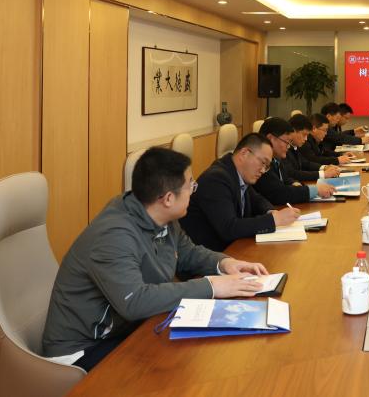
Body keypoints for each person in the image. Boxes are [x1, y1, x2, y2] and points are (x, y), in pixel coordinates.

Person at [42, 147, 268, 370]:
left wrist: (225, 263)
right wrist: (211, 286)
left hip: (125, 329)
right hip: (82, 349)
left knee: (192, 356)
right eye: (190, 185)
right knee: (171, 369)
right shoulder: (114, 235)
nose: (193, 191)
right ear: (168, 198)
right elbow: (135, 301)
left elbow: (187, 252)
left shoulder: (160, 215)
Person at [181, 134, 300, 251]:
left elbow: (257, 199)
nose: (263, 170)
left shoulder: (238, 173)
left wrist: (270, 211)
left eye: (267, 166)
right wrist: (274, 220)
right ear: (244, 153)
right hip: (211, 255)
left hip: (234, 248)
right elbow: (229, 228)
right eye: (263, 163)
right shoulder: (216, 179)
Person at [253, 117, 335, 205]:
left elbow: (285, 178)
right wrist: (315, 190)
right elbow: (278, 193)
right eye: (286, 142)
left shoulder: (275, 159)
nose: (288, 146)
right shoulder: (260, 163)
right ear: (270, 139)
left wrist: (294, 183)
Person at [284, 114, 342, 180]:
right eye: (304, 135)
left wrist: (324, 167)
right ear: (293, 131)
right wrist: (324, 174)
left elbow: (305, 163)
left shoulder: (294, 146)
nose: (306, 139)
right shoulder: (285, 149)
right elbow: (292, 173)